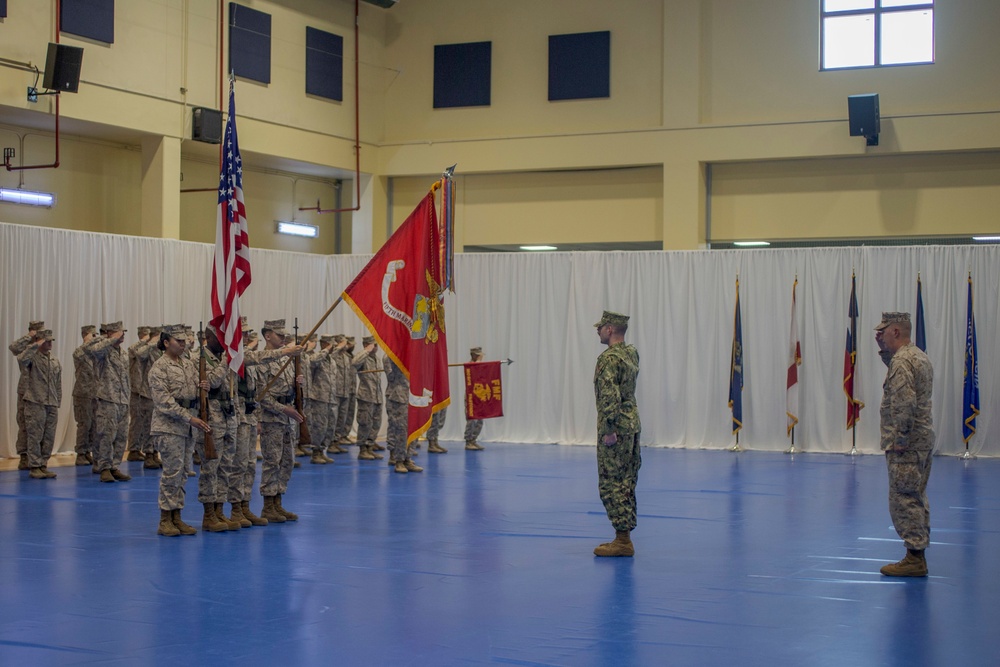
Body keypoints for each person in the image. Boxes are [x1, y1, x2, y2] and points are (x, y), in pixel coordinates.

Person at [875, 311, 935, 577]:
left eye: (884, 331)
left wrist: (899, 438)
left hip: (907, 444)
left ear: (896, 331)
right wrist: (884, 352)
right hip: (921, 440)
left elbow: (904, 402)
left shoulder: (902, 362)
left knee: (903, 498)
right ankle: (917, 553)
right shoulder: (917, 355)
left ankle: (914, 558)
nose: (881, 335)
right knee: (916, 494)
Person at [148, 324, 212, 536]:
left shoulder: (188, 364)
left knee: (184, 472)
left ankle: (177, 516)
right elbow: (164, 402)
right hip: (169, 427)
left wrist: (204, 387)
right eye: (179, 341)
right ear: (166, 342)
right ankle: (165, 518)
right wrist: (189, 418)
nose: (184, 344)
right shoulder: (159, 367)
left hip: (187, 426)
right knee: (172, 472)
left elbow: (196, 389)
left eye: (185, 341)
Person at [592, 311, 641, 557]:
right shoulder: (631, 353)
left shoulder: (608, 359)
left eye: (601, 327)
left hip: (616, 429)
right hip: (632, 425)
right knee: (627, 480)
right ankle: (625, 536)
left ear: (609, 329)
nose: (598, 331)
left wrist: (608, 430)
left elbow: (609, 396)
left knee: (612, 482)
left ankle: (622, 540)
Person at [257, 319, 305, 523]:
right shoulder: (260, 359)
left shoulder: (287, 359)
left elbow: (291, 389)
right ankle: (268, 505)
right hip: (272, 417)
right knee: (272, 461)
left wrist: (299, 384)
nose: (283, 338)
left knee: (287, 461)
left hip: (288, 417)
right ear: (268, 335)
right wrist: (282, 408)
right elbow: (260, 394)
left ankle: (278, 502)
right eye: (279, 334)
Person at [88, 321, 132, 483]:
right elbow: (93, 350)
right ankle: (104, 467)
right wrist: (110, 339)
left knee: (121, 435)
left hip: (123, 399)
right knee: (106, 434)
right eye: (119, 332)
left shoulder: (124, 353)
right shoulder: (102, 350)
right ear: (109, 333)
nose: (122, 335)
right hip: (107, 398)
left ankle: (114, 466)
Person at [18, 330, 61, 479]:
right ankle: (34, 465)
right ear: (39, 341)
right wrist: (34, 345)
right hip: (35, 401)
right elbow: (21, 359)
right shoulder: (32, 357)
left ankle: (43, 464)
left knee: (49, 436)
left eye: (51, 341)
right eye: (46, 341)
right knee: (35, 435)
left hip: (51, 402)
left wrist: (58, 401)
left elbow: (58, 383)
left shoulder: (54, 360)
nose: (49, 343)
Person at [9, 320, 44, 470]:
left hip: (40, 390)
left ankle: (37, 456)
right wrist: (28, 337)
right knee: (24, 423)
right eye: (38, 331)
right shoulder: (27, 346)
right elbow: (14, 348)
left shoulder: (42, 345)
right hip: (26, 389)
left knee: (39, 425)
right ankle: (24, 455)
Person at [384, 355, 422, 473]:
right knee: (400, 429)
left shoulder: (414, 354)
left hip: (414, 395)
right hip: (399, 397)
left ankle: (407, 458)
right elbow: (391, 377)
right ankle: (398, 460)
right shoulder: (390, 355)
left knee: (414, 428)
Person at [352, 336, 384, 461]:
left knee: (376, 424)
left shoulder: (376, 359)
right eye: (373, 345)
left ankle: (370, 447)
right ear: (366, 344)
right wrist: (366, 350)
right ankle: (362, 450)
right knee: (365, 423)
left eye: (376, 345)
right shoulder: (363, 357)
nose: (376, 347)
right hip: (366, 396)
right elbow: (354, 363)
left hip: (377, 397)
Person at [72, 325, 99, 467]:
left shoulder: (94, 354)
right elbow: (78, 354)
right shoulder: (79, 352)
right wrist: (87, 342)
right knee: (84, 424)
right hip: (82, 394)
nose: (95, 338)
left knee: (94, 424)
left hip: (95, 394)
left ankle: (89, 450)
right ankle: (81, 453)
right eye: (92, 335)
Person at [463, 347, 486, 451]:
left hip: (479, 394)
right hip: (471, 395)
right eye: (479, 355)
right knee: (471, 419)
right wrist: (478, 361)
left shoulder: (478, 365)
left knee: (480, 419)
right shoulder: (470, 366)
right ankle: (468, 441)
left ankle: (473, 439)